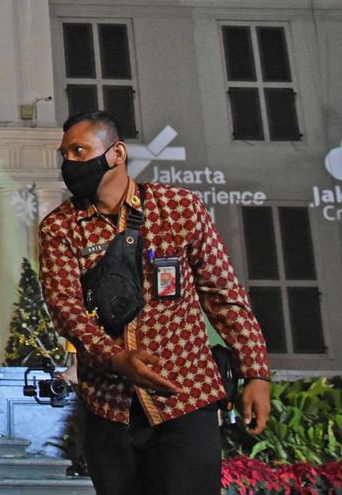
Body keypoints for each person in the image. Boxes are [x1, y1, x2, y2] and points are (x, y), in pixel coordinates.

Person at [39, 111, 271, 495]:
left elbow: (223, 293)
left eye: (80, 151)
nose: (70, 163)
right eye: (65, 154)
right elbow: (65, 308)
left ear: (117, 154)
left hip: (186, 397)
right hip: (110, 407)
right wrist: (114, 357)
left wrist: (256, 372)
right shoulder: (60, 227)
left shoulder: (178, 208)